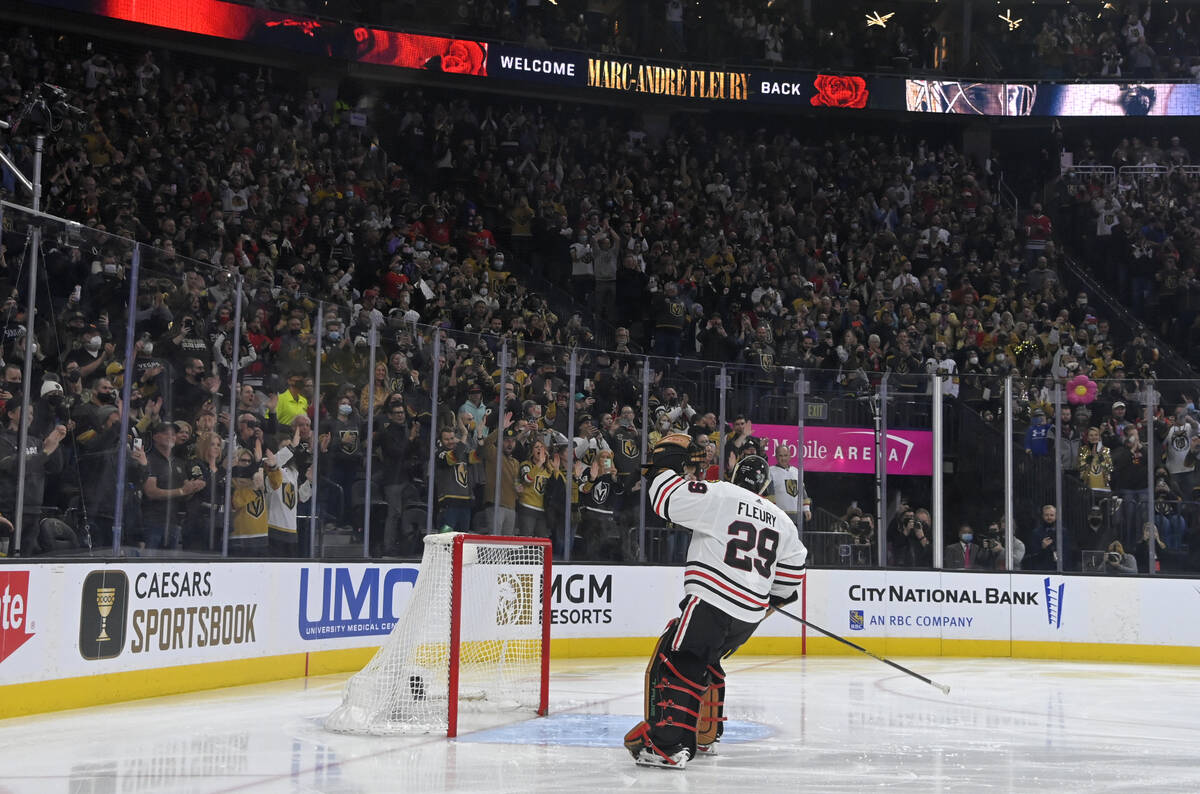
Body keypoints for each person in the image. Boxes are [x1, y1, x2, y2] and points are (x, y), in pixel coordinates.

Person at [624, 437, 807, 769]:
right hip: (748, 617)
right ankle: (708, 734)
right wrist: (764, 603)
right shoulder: (783, 521)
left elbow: (666, 499)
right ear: (765, 486)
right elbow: (791, 581)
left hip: (711, 601)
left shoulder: (722, 494)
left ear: (735, 476)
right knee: (706, 659)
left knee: (680, 660)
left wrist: (665, 464)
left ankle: (669, 746)